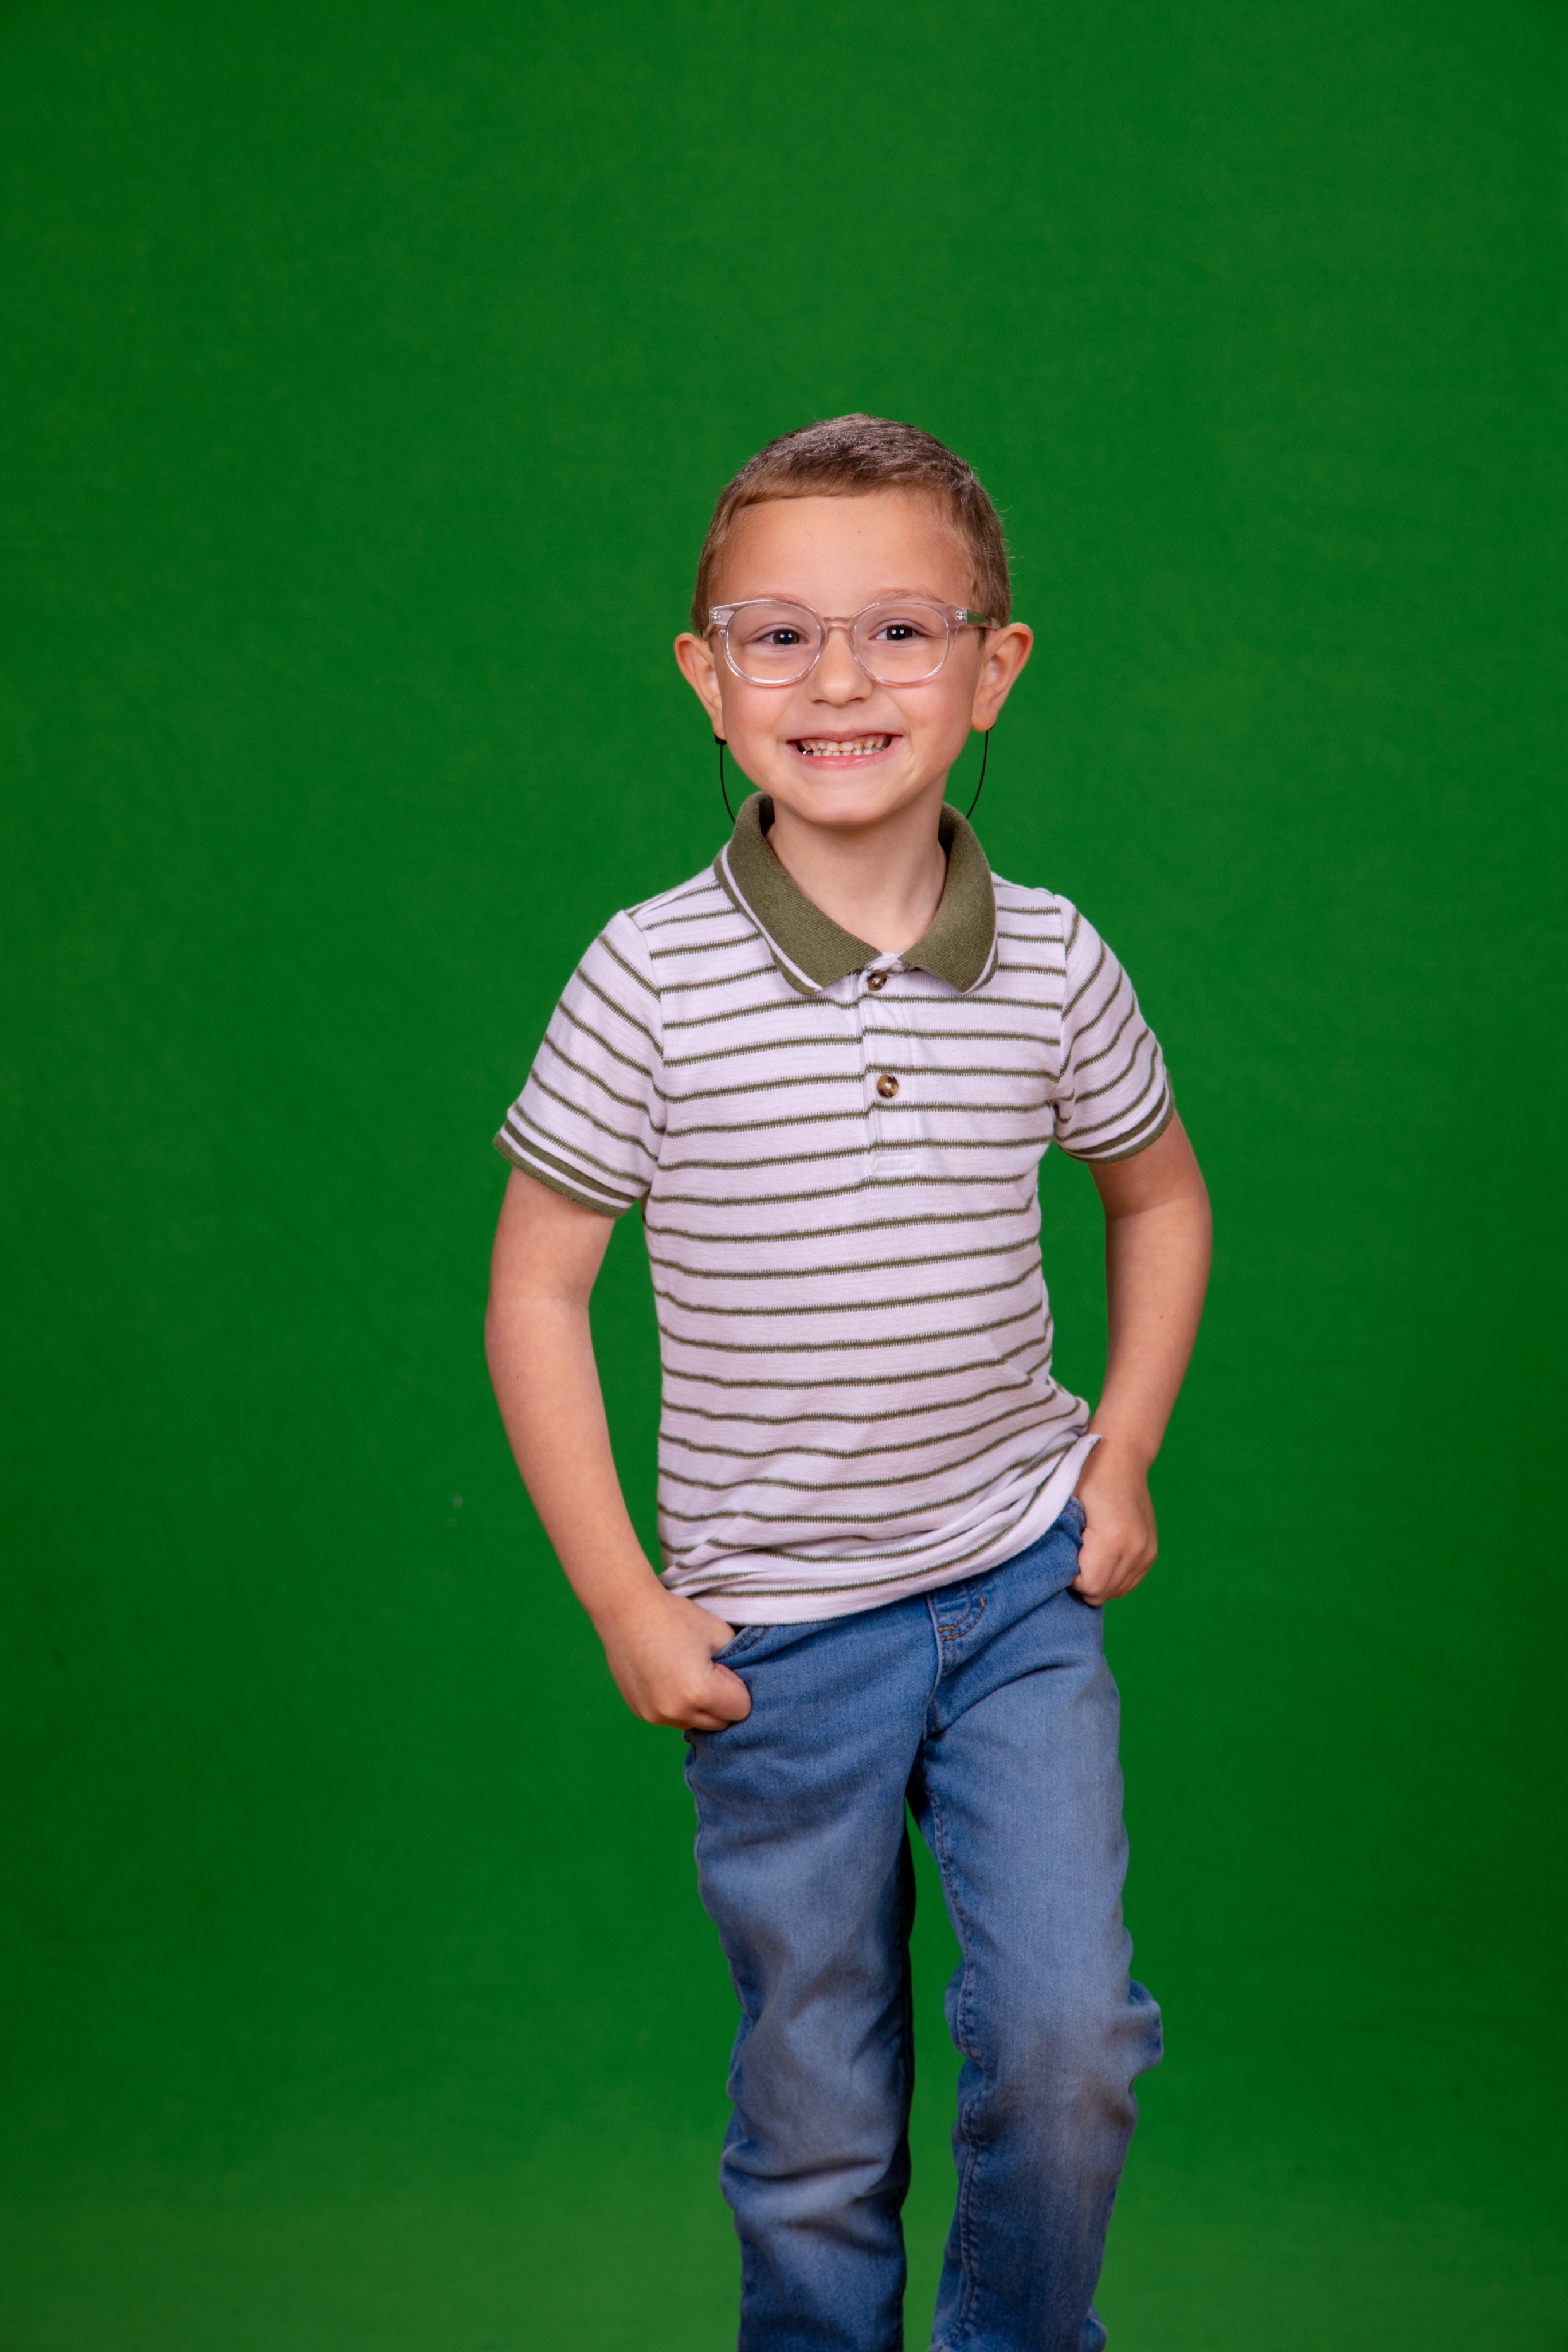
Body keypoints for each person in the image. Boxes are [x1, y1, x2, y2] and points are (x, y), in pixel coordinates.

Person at [484, 414, 1212, 2352]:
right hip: (780, 1634)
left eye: (900, 629)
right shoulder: (647, 979)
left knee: (1071, 2043)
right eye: (780, 635)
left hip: (1017, 1591)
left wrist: (1123, 1451)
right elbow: (536, 1295)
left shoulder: (1054, 964)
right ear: (707, 677)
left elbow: (1159, 1195)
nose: (839, 682)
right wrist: (625, 1599)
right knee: (816, 2123)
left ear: (994, 668)